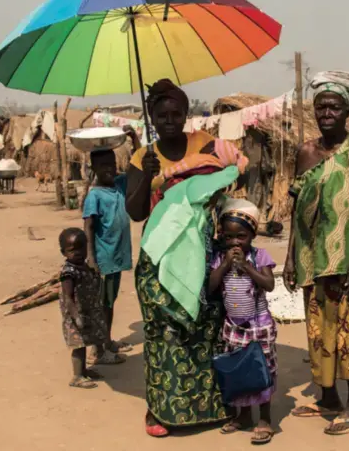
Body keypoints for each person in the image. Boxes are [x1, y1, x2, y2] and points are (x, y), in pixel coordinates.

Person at [126, 78, 248, 437]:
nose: (169, 121)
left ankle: (211, 406)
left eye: (176, 113)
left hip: (206, 249)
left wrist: (208, 187)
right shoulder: (141, 158)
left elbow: (242, 169)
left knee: (208, 327)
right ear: (151, 116)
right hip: (160, 255)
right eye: (161, 115)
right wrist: (148, 176)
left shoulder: (206, 144)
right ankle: (159, 409)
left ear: (185, 114)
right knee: (165, 331)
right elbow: (134, 212)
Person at [283, 71, 349, 435]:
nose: (326, 112)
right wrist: (290, 259)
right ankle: (328, 397)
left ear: (347, 110)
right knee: (320, 330)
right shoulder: (306, 153)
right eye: (320, 106)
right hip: (315, 259)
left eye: (334, 106)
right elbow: (297, 212)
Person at [209, 199, 277, 445]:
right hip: (234, 328)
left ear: (252, 235)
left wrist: (247, 268)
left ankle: (265, 418)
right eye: (229, 237)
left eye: (241, 237)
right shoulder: (221, 259)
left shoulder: (260, 257)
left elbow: (269, 285)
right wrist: (226, 264)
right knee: (240, 372)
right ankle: (244, 415)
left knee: (261, 371)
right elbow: (211, 286)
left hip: (259, 325)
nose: (235, 242)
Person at [83, 149, 133, 364]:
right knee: (101, 306)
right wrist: (91, 258)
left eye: (112, 163)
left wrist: (135, 139)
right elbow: (88, 226)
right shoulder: (94, 195)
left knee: (109, 303)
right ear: (93, 168)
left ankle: (107, 340)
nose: (109, 168)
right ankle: (98, 352)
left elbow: (137, 168)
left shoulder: (119, 185)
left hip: (117, 258)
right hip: (103, 260)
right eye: (103, 165)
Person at [58, 228, 107, 389]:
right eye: (72, 250)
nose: (78, 253)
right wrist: (76, 317)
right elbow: (67, 297)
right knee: (79, 345)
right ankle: (77, 376)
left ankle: (84, 370)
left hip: (88, 312)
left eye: (81, 248)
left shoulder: (84, 267)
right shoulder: (68, 272)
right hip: (75, 315)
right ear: (63, 252)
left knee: (87, 340)